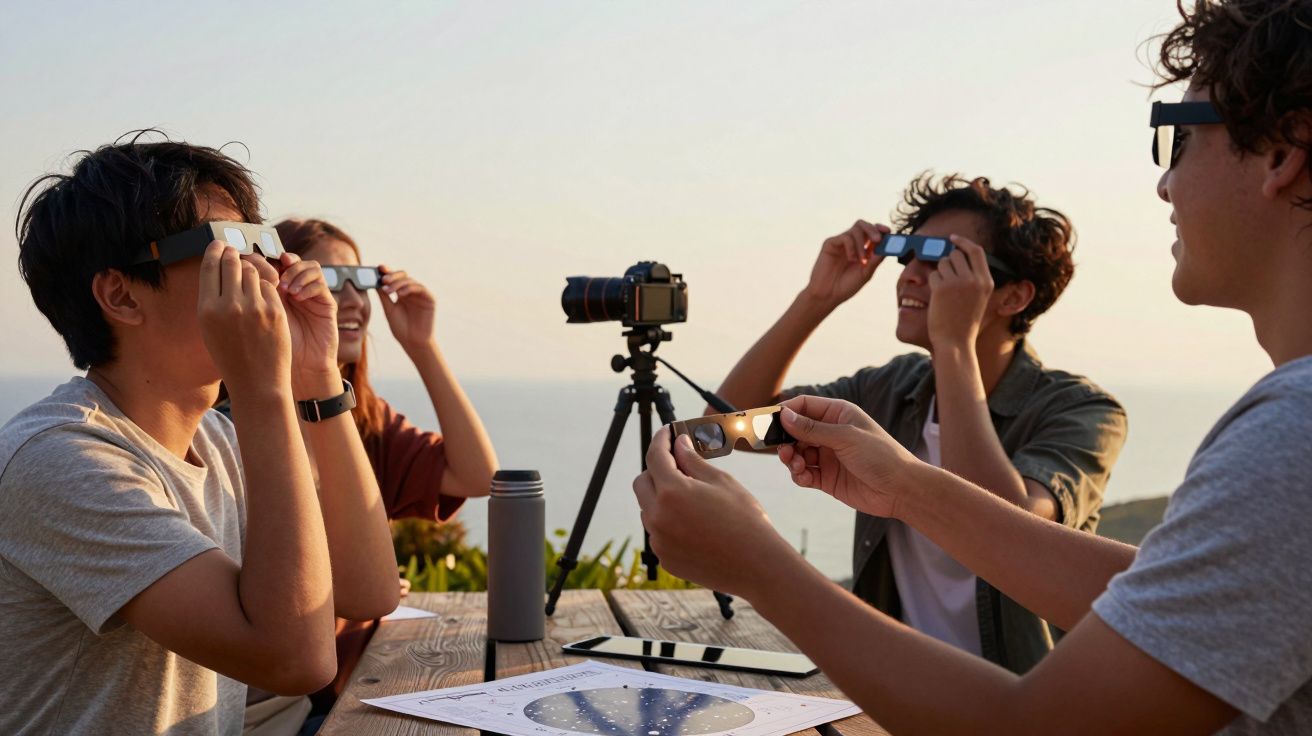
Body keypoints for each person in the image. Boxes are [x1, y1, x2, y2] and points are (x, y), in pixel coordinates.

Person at [635, 0, 1312, 731]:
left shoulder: (1280, 433)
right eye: (907, 254)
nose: (1163, 185)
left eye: (1176, 140)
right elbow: (1160, 597)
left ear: (1280, 153)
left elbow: (1035, 724)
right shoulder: (891, 392)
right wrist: (896, 472)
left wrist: (764, 569)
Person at [0, 135, 399, 734]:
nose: (263, 270)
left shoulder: (217, 440)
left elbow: (368, 590)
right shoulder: (62, 459)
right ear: (121, 293)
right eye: (229, 247)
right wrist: (264, 388)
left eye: (262, 243)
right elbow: (297, 660)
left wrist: (315, 376)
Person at [714, 173, 1126, 671]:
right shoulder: (894, 389)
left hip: (1028, 703)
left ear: (1012, 297)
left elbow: (998, 529)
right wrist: (817, 297)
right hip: (902, 692)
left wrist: (954, 344)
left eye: (938, 259)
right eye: (905, 255)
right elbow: (730, 422)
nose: (909, 274)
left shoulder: (1081, 411)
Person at [273, 217, 498, 717]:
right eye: (329, 280)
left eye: (362, 280)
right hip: (307, 702)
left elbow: (478, 475)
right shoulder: (244, 425)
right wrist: (346, 586)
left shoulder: (363, 419)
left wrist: (422, 345)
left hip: (368, 676)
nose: (352, 300)